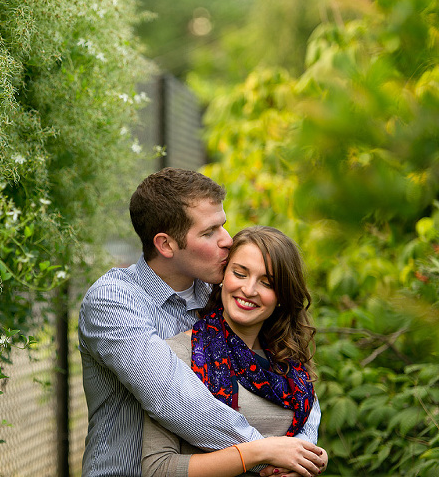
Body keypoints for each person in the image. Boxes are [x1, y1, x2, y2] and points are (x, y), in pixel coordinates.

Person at [78, 168, 325, 477]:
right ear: (166, 245)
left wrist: (302, 449)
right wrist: (268, 453)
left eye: (223, 225)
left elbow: (295, 375)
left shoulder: (220, 294)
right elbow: (177, 401)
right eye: (209, 233)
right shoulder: (114, 302)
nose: (227, 240)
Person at [142, 226, 327, 477]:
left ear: (282, 295)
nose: (249, 290)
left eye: (267, 283)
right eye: (240, 274)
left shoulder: (287, 361)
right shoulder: (178, 354)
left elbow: (301, 442)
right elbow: (158, 469)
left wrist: (313, 459)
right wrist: (261, 454)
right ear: (223, 276)